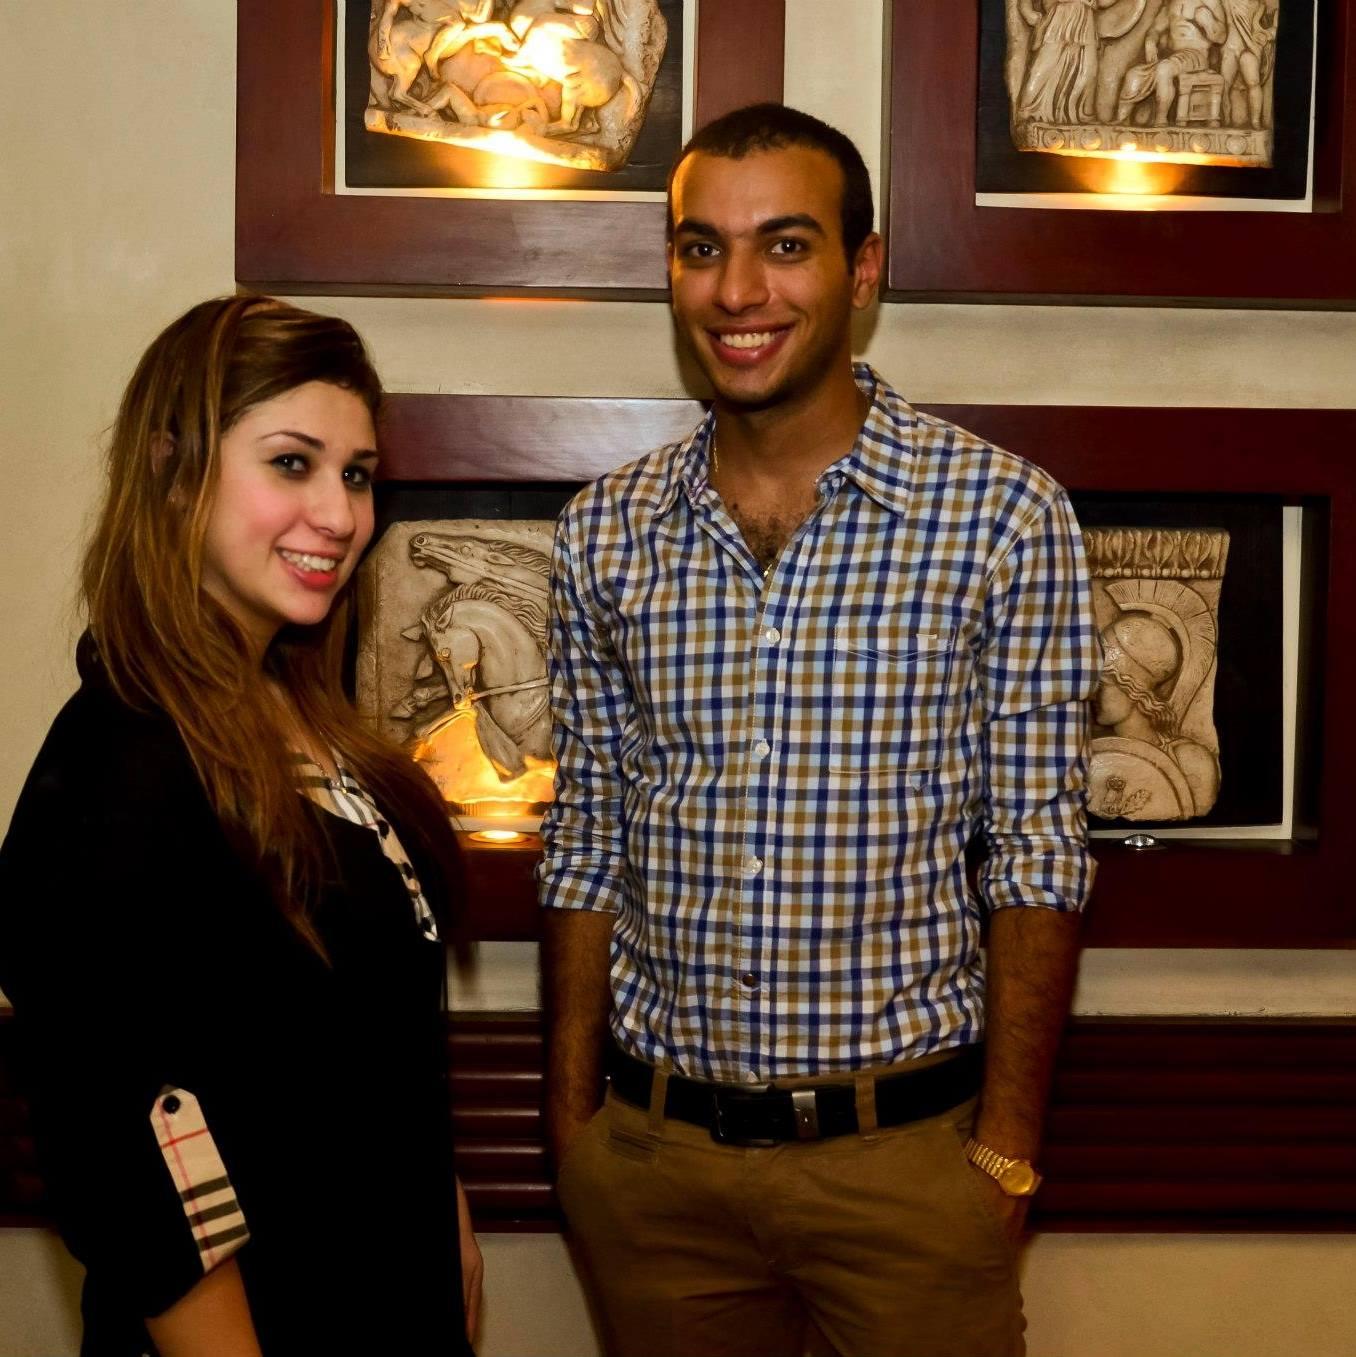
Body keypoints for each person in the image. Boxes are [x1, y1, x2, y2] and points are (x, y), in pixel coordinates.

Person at [539, 104, 1101, 1357]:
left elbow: (1038, 851)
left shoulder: (1002, 519)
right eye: (702, 248)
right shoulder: (605, 532)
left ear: (863, 269)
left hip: (908, 1165)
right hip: (657, 1168)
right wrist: (572, 1128)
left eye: (785, 246)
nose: (738, 290)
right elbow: (585, 838)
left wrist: (1005, 1150)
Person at [0, 296, 482, 1355]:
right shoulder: (121, 758)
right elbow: (127, 1161)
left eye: (357, 474)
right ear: (175, 470)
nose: (339, 514)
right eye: (292, 463)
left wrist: (436, 1201)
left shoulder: (300, 712)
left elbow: (359, 1040)